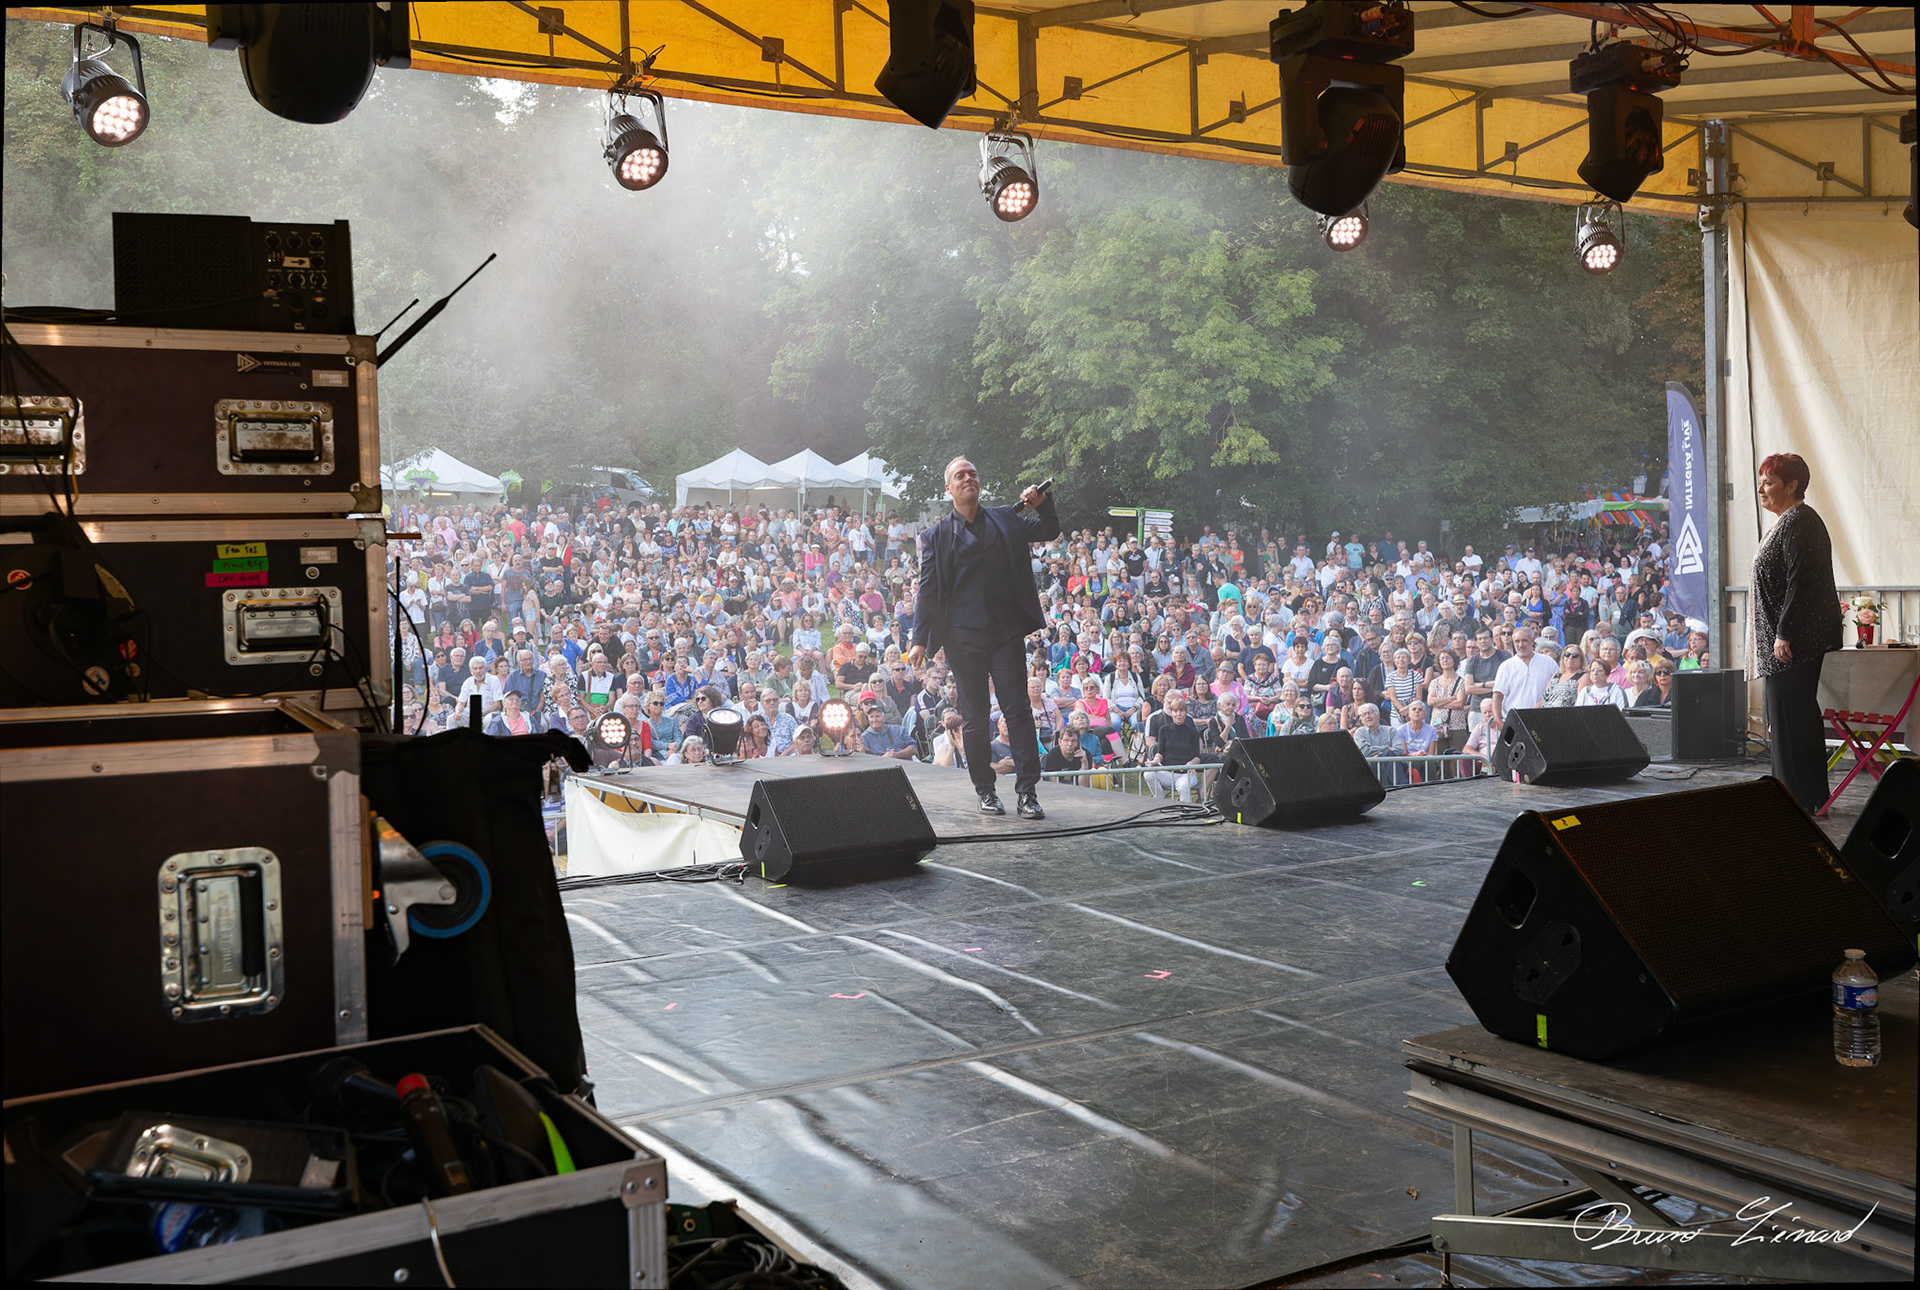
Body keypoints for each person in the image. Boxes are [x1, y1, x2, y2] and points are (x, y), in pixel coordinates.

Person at [907, 458, 1059, 820]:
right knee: (973, 719)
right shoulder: (935, 536)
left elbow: (1049, 530)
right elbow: (927, 591)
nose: (967, 478)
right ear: (949, 488)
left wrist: (1044, 504)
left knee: (1019, 712)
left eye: (973, 473)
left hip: (1005, 633)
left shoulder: (1006, 518)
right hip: (962, 640)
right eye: (959, 476)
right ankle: (985, 790)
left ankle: (1027, 793)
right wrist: (918, 639)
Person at [1750, 452, 1843, 810]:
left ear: (1792, 486)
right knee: (1788, 717)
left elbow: (1800, 580)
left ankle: (1799, 797)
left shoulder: (1800, 521)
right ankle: (1798, 794)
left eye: (1769, 482)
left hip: (1794, 642)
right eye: (1761, 481)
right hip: (1787, 640)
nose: (1762, 489)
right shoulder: (1788, 520)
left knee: (1792, 718)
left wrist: (1784, 631)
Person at [1490, 627, 1557, 726]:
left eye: (1525, 641)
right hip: (1514, 722)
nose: (1520, 645)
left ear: (1532, 641)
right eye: (1517, 641)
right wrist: (1498, 720)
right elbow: (1497, 695)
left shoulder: (1548, 662)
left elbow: (1558, 688)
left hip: (1544, 720)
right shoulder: (1506, 666)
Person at [1145, 691, 1204, 802]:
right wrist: (1156, 759)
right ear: (1171, 713)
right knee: (1148, 774)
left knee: (1183, 786)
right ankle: (1160, 802)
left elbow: (1197, 756)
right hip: (1167, 772)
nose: (1178, 714)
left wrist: (1191, 764)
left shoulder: (1192, 732)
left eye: (1181, 711)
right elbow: (1160, 752)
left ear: (1186, 713)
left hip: (1185, 773)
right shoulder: (1164, 730)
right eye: (1175, 711)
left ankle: (1185, 811)